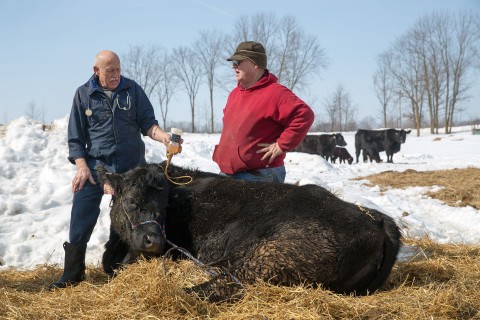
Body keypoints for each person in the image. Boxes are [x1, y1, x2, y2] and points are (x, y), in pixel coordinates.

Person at [49, 50, 172, 289]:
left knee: (136, 214)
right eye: (109, 70)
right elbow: (75, 140)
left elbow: (148, 123)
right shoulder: (84, 94)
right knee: (82, 212)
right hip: (97, 167)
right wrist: (82, 167)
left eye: (118, 69)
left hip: (130, 168)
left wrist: (163, 136)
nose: (115, 74)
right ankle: (72, 273)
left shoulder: (132, 90)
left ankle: (129, 267)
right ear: (96, 71)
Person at [212, 41, 314, 183]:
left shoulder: (276, 93)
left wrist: (281, 145)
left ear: (255, 64)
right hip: (231, 173)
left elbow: (304, 114)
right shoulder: (234, 94)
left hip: (260, 174)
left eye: (239, 61)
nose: (234, 66)